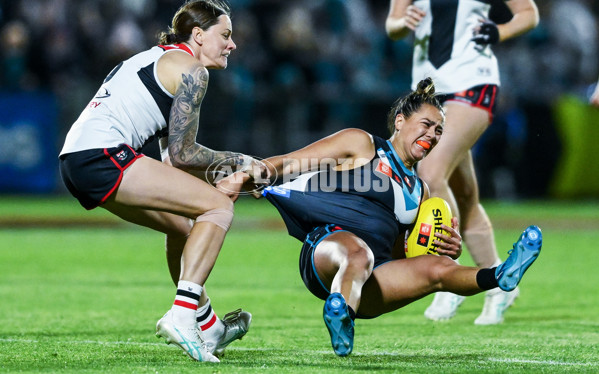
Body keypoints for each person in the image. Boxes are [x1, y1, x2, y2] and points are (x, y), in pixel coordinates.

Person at [217, 78, 542, 357]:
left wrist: (442, 247)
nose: (433, 135)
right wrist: (250, 175)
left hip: (373, 280)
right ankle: (340, 310)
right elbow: (289, 163)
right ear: (400, 121)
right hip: (327, 251)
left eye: (439, 131)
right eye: (426, 125)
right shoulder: (362, 144)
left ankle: (500, 276)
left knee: (440, 270)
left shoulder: (422, 192)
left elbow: (405, 253)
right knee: (357, 251)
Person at [58, 0, 264, 363]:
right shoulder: (193, 71)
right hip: (103, 154)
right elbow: (186, 154)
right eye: (226, 34)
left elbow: (174, 161)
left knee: (184, 227)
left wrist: (222, 177)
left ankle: (208, 324)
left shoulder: (163, 60)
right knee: (217, 209)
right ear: (199, 35)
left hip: (78, 159)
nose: (232, 44)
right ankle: (182, 314)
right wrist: (244, 161)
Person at [385, 0, 540, 324]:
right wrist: (401, 23)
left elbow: (528, 14)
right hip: (430, 92)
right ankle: (502, 283)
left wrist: (499, 32)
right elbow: (393, 25)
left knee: (430, 172)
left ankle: (447, 276)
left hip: (473, 82)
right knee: (464, 197)